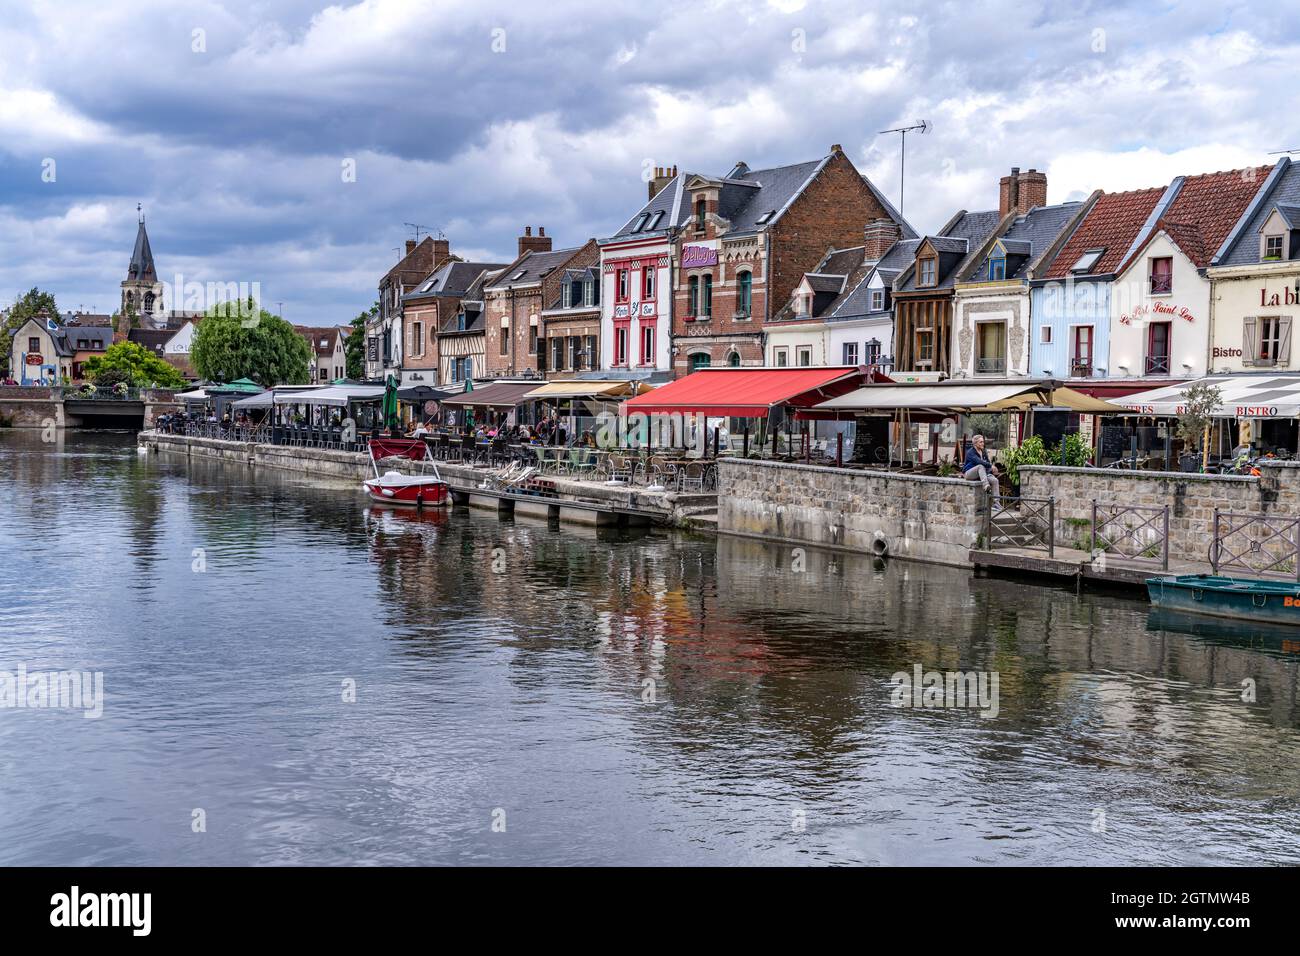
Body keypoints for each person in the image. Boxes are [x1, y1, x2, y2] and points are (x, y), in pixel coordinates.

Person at [963, 434, 1000, 504]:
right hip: (969, 474)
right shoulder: (970, 452)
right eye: (981, 442)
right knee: (980, 466)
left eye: (983, 442)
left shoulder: (983, 452)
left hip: (981, 475)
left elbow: (988, 463)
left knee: (995, 480)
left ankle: (996, 503)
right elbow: (979, 462)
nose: (983, 443)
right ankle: (986, 486)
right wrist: (990, 466)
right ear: (975, 443)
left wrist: (991, 470)